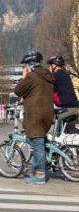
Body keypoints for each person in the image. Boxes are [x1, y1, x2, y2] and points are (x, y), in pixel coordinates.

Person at [14, 50, 55, 184]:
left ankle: (40, 175)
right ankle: (44, 164)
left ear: (30, 64)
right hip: (47, 114)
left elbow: (18, 91)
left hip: (35, 115)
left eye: (25, 65)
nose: (24, 67)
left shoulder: (32, 76)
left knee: (37, 145)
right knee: (41, 142)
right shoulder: (47, 75)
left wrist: (24, 77)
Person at [47, 55, 79, 135]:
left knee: (56, 117)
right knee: (69, 130)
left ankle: (57, 136)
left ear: (54, 65)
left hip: (66, 108)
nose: (48, 68)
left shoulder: (54, 76)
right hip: (74, 106)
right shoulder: (65, 74)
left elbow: (47, 90)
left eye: (50, 65)